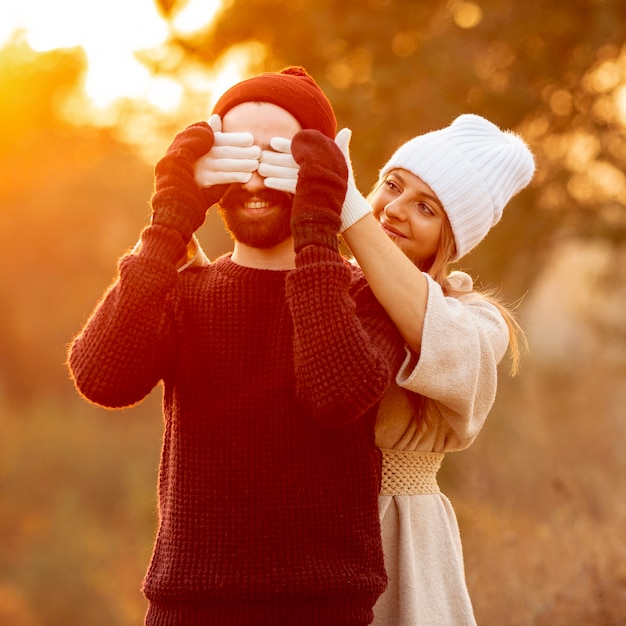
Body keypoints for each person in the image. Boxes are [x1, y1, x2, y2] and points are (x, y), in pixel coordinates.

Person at [67, 66, 406, 626]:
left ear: (318, 169)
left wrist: (320, 226)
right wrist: (169, 220)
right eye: (237, 154)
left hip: (325, 609)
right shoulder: (184, 292)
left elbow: (336, 397)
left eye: (278, 158)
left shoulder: (366, 298)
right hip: (187, 608)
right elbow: (101, 376)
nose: (253, 180)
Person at [335, 114, 536, 625]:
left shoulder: (474, 321)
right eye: (392, 186)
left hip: (399, 541)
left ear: (451, 239)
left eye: (425, 207)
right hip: (304, 528)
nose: (396, 210)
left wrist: (351, 212)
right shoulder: (325, 285)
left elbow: (425, 323)